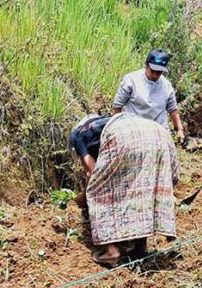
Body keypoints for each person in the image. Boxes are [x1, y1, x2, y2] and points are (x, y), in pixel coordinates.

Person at [70, 113, 180, 267]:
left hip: (127, 138)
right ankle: (140, 248)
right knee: (141, 191)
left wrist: (80, 200)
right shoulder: (103, 125)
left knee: (99, 191)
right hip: (158, 133)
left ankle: (111, 252)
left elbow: (92, 174)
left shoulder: (79, 136)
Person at [112, 49, 186, 145]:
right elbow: (117, 106)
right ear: (146, 65)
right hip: (134, 132)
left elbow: (173, 110)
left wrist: (179, 129)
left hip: (159, 134)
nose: (155, 75)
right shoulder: (131, 81)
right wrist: (116, 129)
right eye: (153, 71)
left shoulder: (166, 86)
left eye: (159, 72)